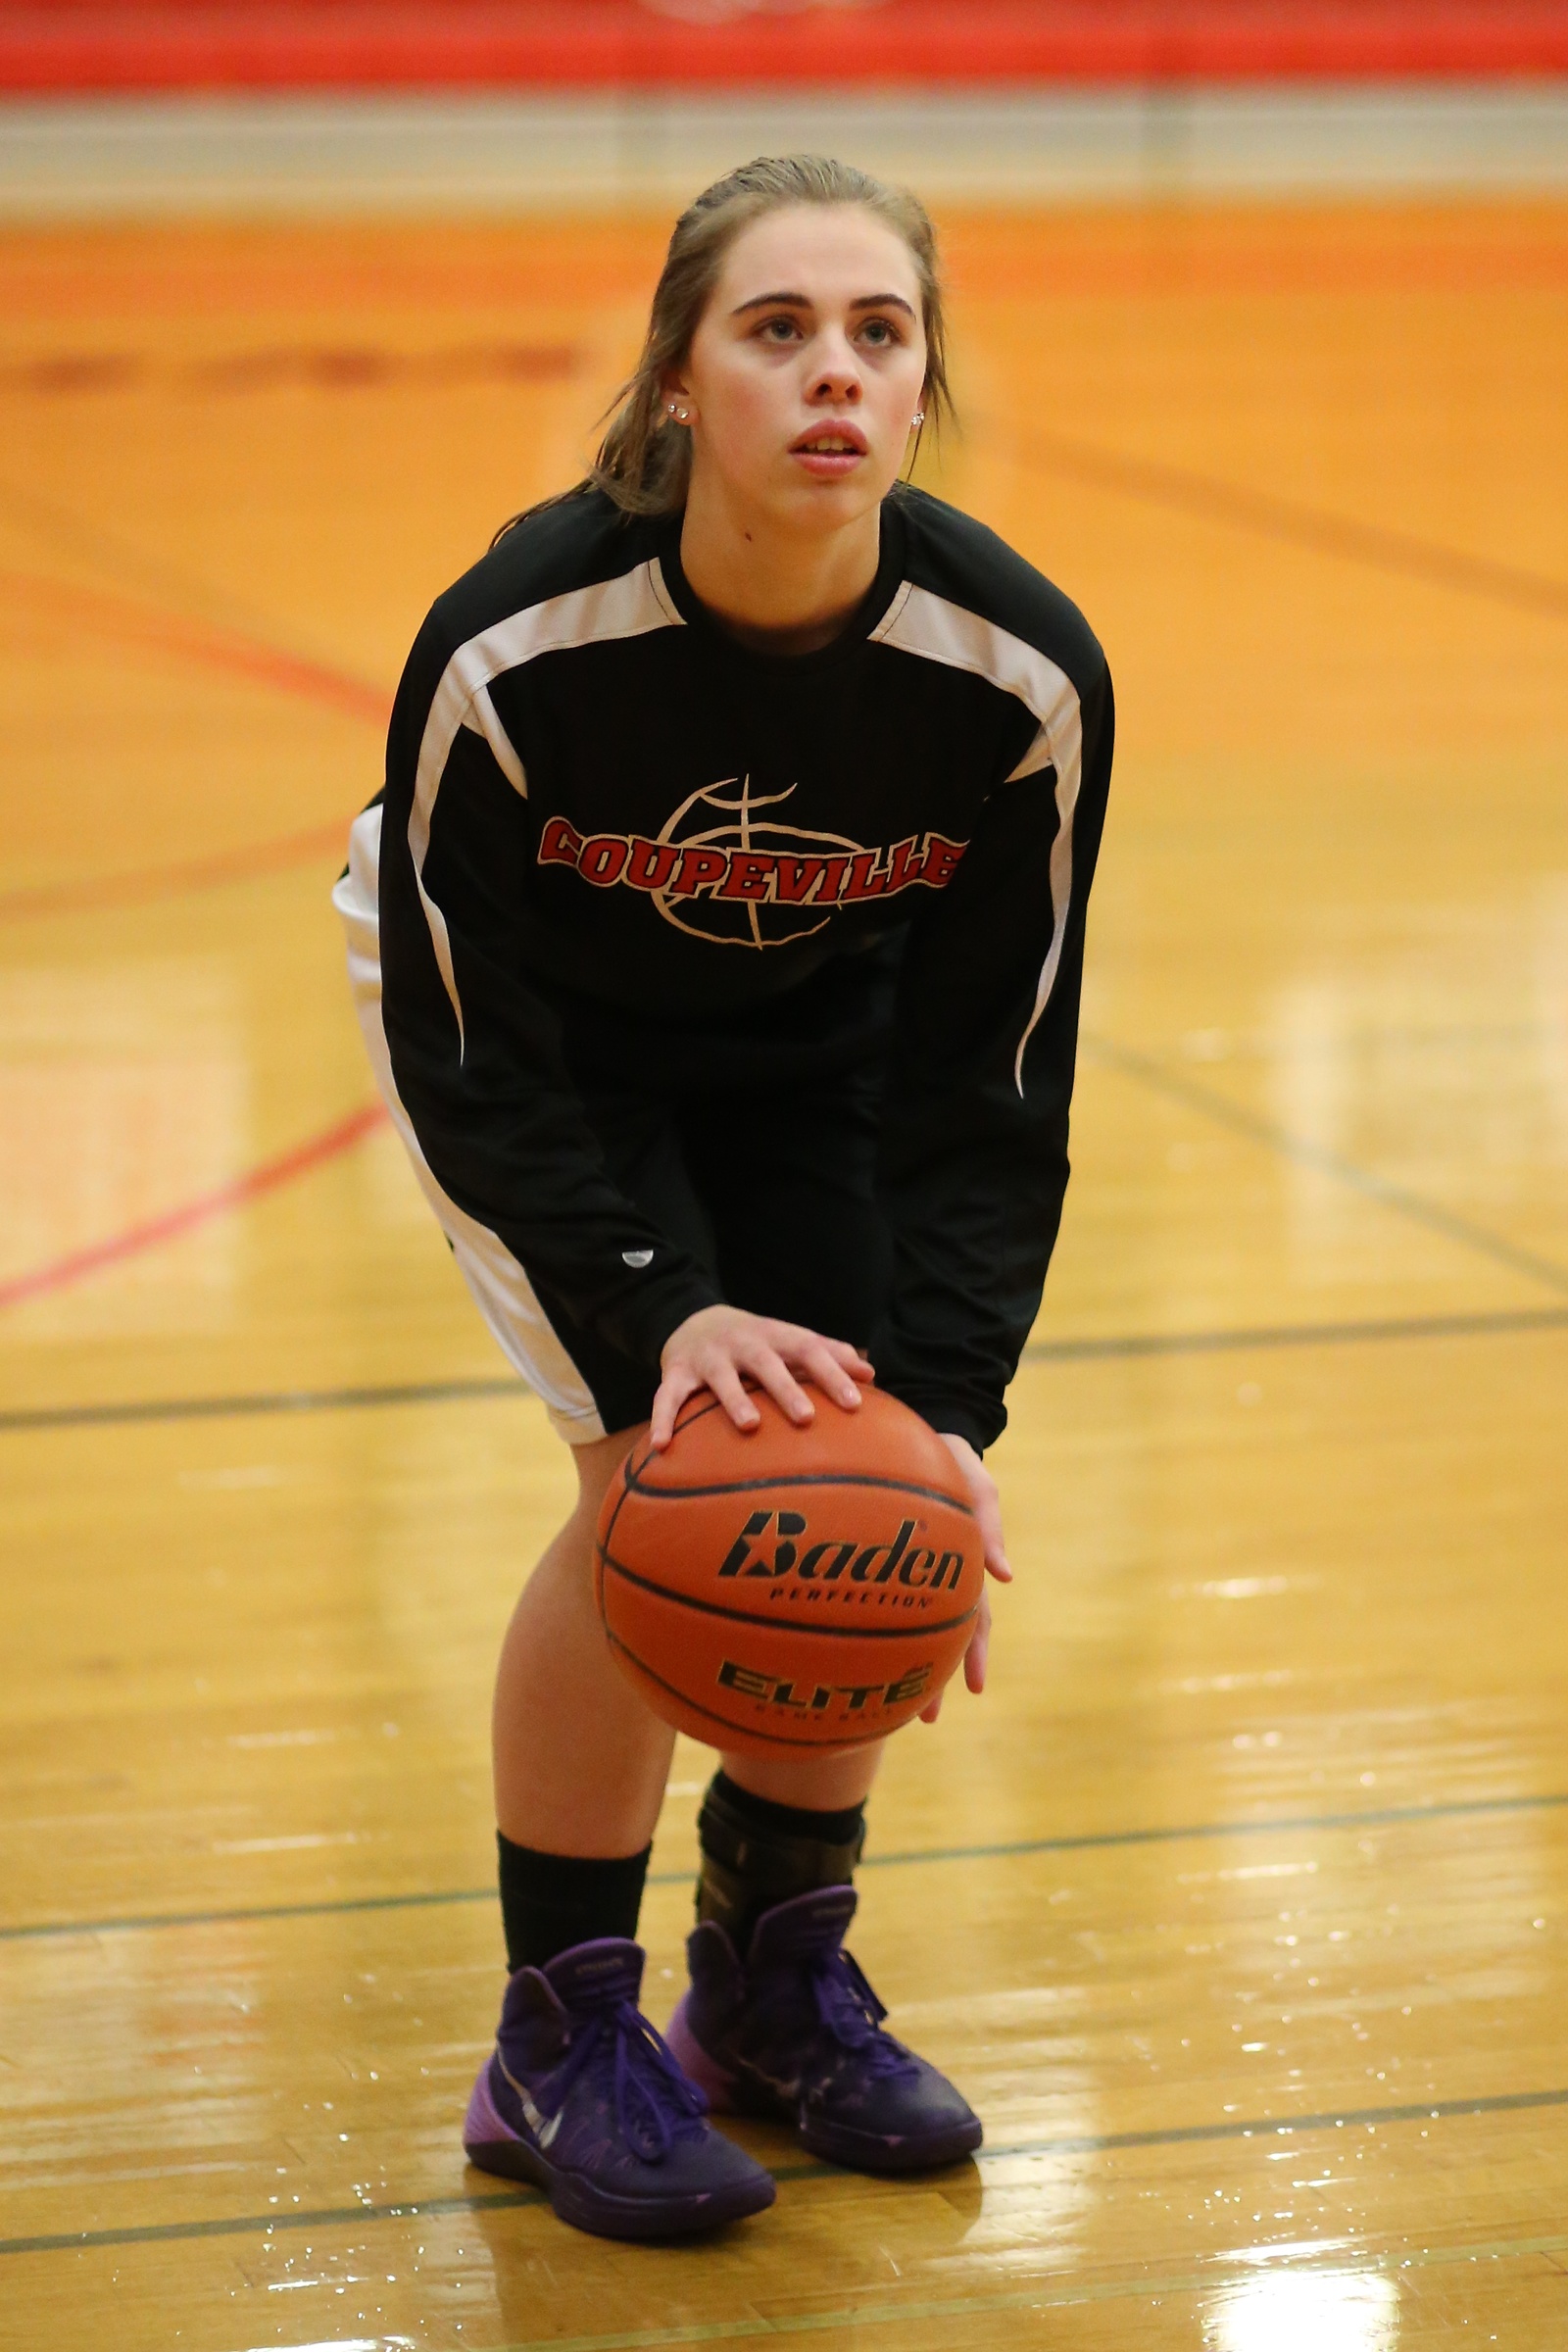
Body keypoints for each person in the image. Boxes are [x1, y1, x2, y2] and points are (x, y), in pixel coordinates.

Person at [333, 152, 1112, 2243]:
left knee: (852, 1468)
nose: (833, 371)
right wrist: (652, 1310)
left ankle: (765, 1988)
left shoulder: (1018, 673)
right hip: (533, 1037)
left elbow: (993, 1076)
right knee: (660, 1479)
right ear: (679, 378)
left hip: (821, 1029)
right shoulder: (514, 645)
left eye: (879, 332)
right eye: (777, 329)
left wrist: (944, 1411)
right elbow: (471, 1045)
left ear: (923, 383)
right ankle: (555, 2034)